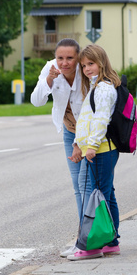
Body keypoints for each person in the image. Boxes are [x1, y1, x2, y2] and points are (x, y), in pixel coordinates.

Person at [31, 38, 91, 258]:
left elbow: (90, 112)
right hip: (69, 131)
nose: (64, 63)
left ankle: (98, 239)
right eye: (60, 58)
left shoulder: (86, 71)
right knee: (79, 185)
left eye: (70, 58)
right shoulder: (50, 68)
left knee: (92, 185)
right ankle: (84, 239)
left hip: (91, 134)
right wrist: (48, 79)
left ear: (78, 58)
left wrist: (79, 143)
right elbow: (36, 101)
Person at [67, 44, 121, 261]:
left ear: (101, 62)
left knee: (97, 196)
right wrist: (79, 143)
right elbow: (87, 120)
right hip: (98, 149)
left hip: (101, 150)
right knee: (106, 195)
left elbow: (100, 121)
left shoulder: (104, 89)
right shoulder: (95, 86)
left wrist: (90, 146)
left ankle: (92, 246)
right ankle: (111, 242)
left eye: (91, 64)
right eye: (84, 65)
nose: (87, 68)